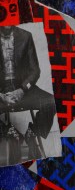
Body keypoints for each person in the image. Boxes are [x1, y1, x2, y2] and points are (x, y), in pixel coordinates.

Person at [0, 24, 56, 161]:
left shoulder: (25, 36)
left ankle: (32, 133)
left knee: (50, 102)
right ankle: (10, 133)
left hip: (23, 88)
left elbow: (35, 70)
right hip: (1, 91)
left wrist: (22, 90)